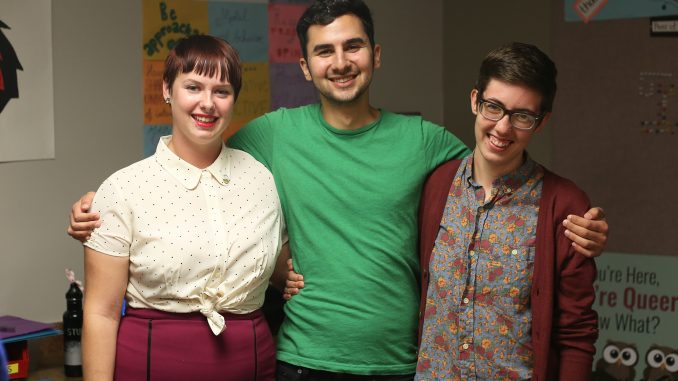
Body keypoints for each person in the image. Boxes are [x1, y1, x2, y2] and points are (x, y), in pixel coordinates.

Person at [69, 1, 608, 379]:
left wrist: (571, 219)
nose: (341, 61)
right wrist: (102, 210)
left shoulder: (425, 143)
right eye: (324, 51)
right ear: (305, 65)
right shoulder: (268, 137)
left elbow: (501, 159)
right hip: (300, 359)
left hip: (404, 362)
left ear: (376, 53)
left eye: (353, 46)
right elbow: (196, 159)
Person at [81, 35, 284, 380]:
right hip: (149, 364)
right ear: (167, 90)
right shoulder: (123, 189)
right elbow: (101, 313)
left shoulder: (260, 179)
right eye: (193, 87)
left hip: (252, 364)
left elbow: (277, 263)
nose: (208, 103)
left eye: (221, 91)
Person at [415, 42, 598, 380]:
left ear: (541, 122)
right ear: (475, 101)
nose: (502, 127)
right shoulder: (437, 186)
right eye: (493, 107)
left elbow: (577, 332)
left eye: (522, 116)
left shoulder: (564, 205)